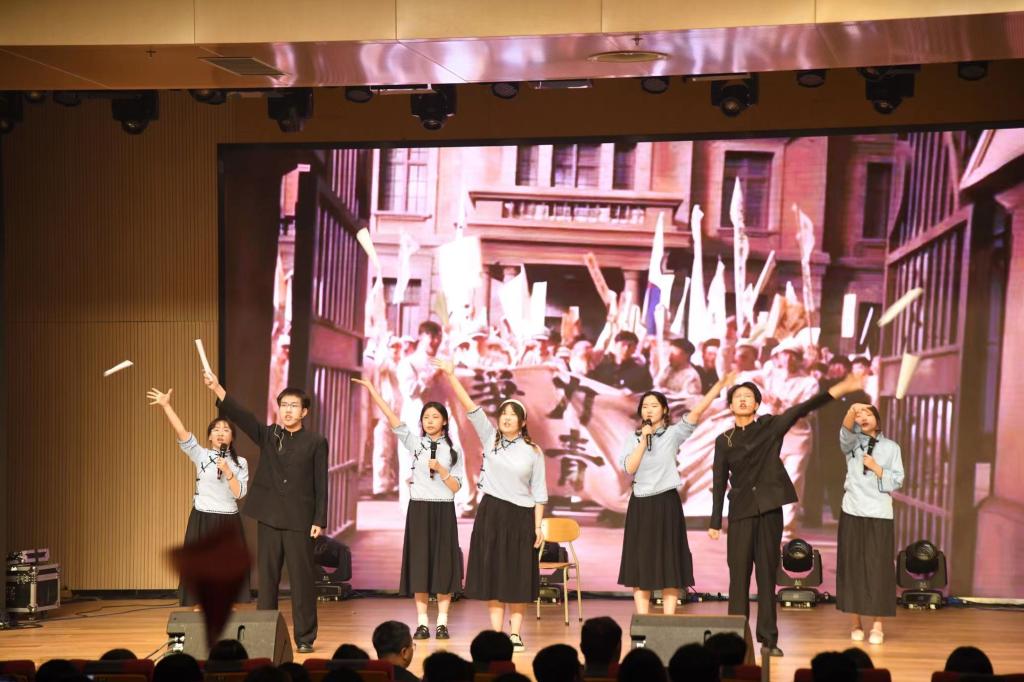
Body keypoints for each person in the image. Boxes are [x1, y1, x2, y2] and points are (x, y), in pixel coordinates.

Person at [708, 371, 866, 656]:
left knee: (767, 576)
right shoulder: (724, 440)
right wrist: (715, 521)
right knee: (738, 578)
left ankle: (769, 640)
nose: (742, 400)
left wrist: (840, 388)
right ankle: (735, 640)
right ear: (730, 406)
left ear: (757, 404)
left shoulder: (770, 427)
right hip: (741, 511)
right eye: (737, 397)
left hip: (769, 510)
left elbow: (802, 408)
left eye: (748, 397)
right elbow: (719, 482)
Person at [203, 372, 327, 653]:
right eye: (284, 405)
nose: (288, 410)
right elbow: (244, 417)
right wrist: (218, 389)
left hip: (300, 520)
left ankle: (305, 638)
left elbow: (321, 483)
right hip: (269, 516)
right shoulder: (270, 435)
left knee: (302, 581)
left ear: (304, 412)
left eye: (294, 406)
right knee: (268, 581)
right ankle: (265, 634)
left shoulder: (316, 442)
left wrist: (319, 519)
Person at [436, 357, 548, 653]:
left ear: (523, 422)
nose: (507, 418)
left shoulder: (534, 452)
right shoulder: (490, 438)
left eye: (514, 414)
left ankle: (515, 634)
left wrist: (538, 526)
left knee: (518, 575)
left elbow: (540, 492)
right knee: (495, 574)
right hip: (492, 513)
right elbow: (471, 408)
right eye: (503, 414)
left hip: (522, 516)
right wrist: (451, 375)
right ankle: (498, 635)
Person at [353, 378, 465, 639]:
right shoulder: (416, 444)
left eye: (435, 417)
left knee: (444, 567)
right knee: (420, 566)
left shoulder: (454, 450)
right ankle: (423, 623)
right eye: (426, 417)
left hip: (443, 510)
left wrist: (442, 470)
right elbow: (393, 420)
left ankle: (442, 623)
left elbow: (456, 486)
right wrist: (372, 390)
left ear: (445, 421)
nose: (429, 421)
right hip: (419, 511)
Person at [619, 374, 736, 614]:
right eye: (645, 406)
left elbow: (697, 411)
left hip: (666, 502)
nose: (648, 409)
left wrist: (719, 386)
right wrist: (643, 440)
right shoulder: (633, 438)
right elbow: (630, 468)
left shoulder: (673, 434)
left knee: (669, 559)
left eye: (654, 405)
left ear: (664, 410)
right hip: (640, 504)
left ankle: (668, 618)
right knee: (641, 560)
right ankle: (643, 618)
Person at [148, 387, 250, 607]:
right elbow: (182, 432)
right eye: (216, 429)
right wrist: (166, 406)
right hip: (203, 515)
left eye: (225, 429)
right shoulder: (201, 455)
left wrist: (228, 471)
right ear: (209, 436)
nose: (220, 432)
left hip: (228, 518)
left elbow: (240, 493)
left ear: (232, 437)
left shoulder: (240, 462)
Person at [837, 402, 904, 645]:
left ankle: (877, 625)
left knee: (879, 569)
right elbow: (845, 431)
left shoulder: (891, 447)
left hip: (879, 514)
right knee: (852, 566)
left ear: (877, 418)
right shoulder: (852, 443)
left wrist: (877, 468)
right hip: (852, 510)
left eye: (868, 413)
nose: (863, 417)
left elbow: (898, 480)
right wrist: (851, 411)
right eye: (859, 415)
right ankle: (855, 623)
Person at [589, 331, 653, 393]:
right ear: (615, 345)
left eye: (630, 345)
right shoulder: (602, 368)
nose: (626, 348)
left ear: (634, 349)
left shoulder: (639, 373)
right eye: (623, 344)